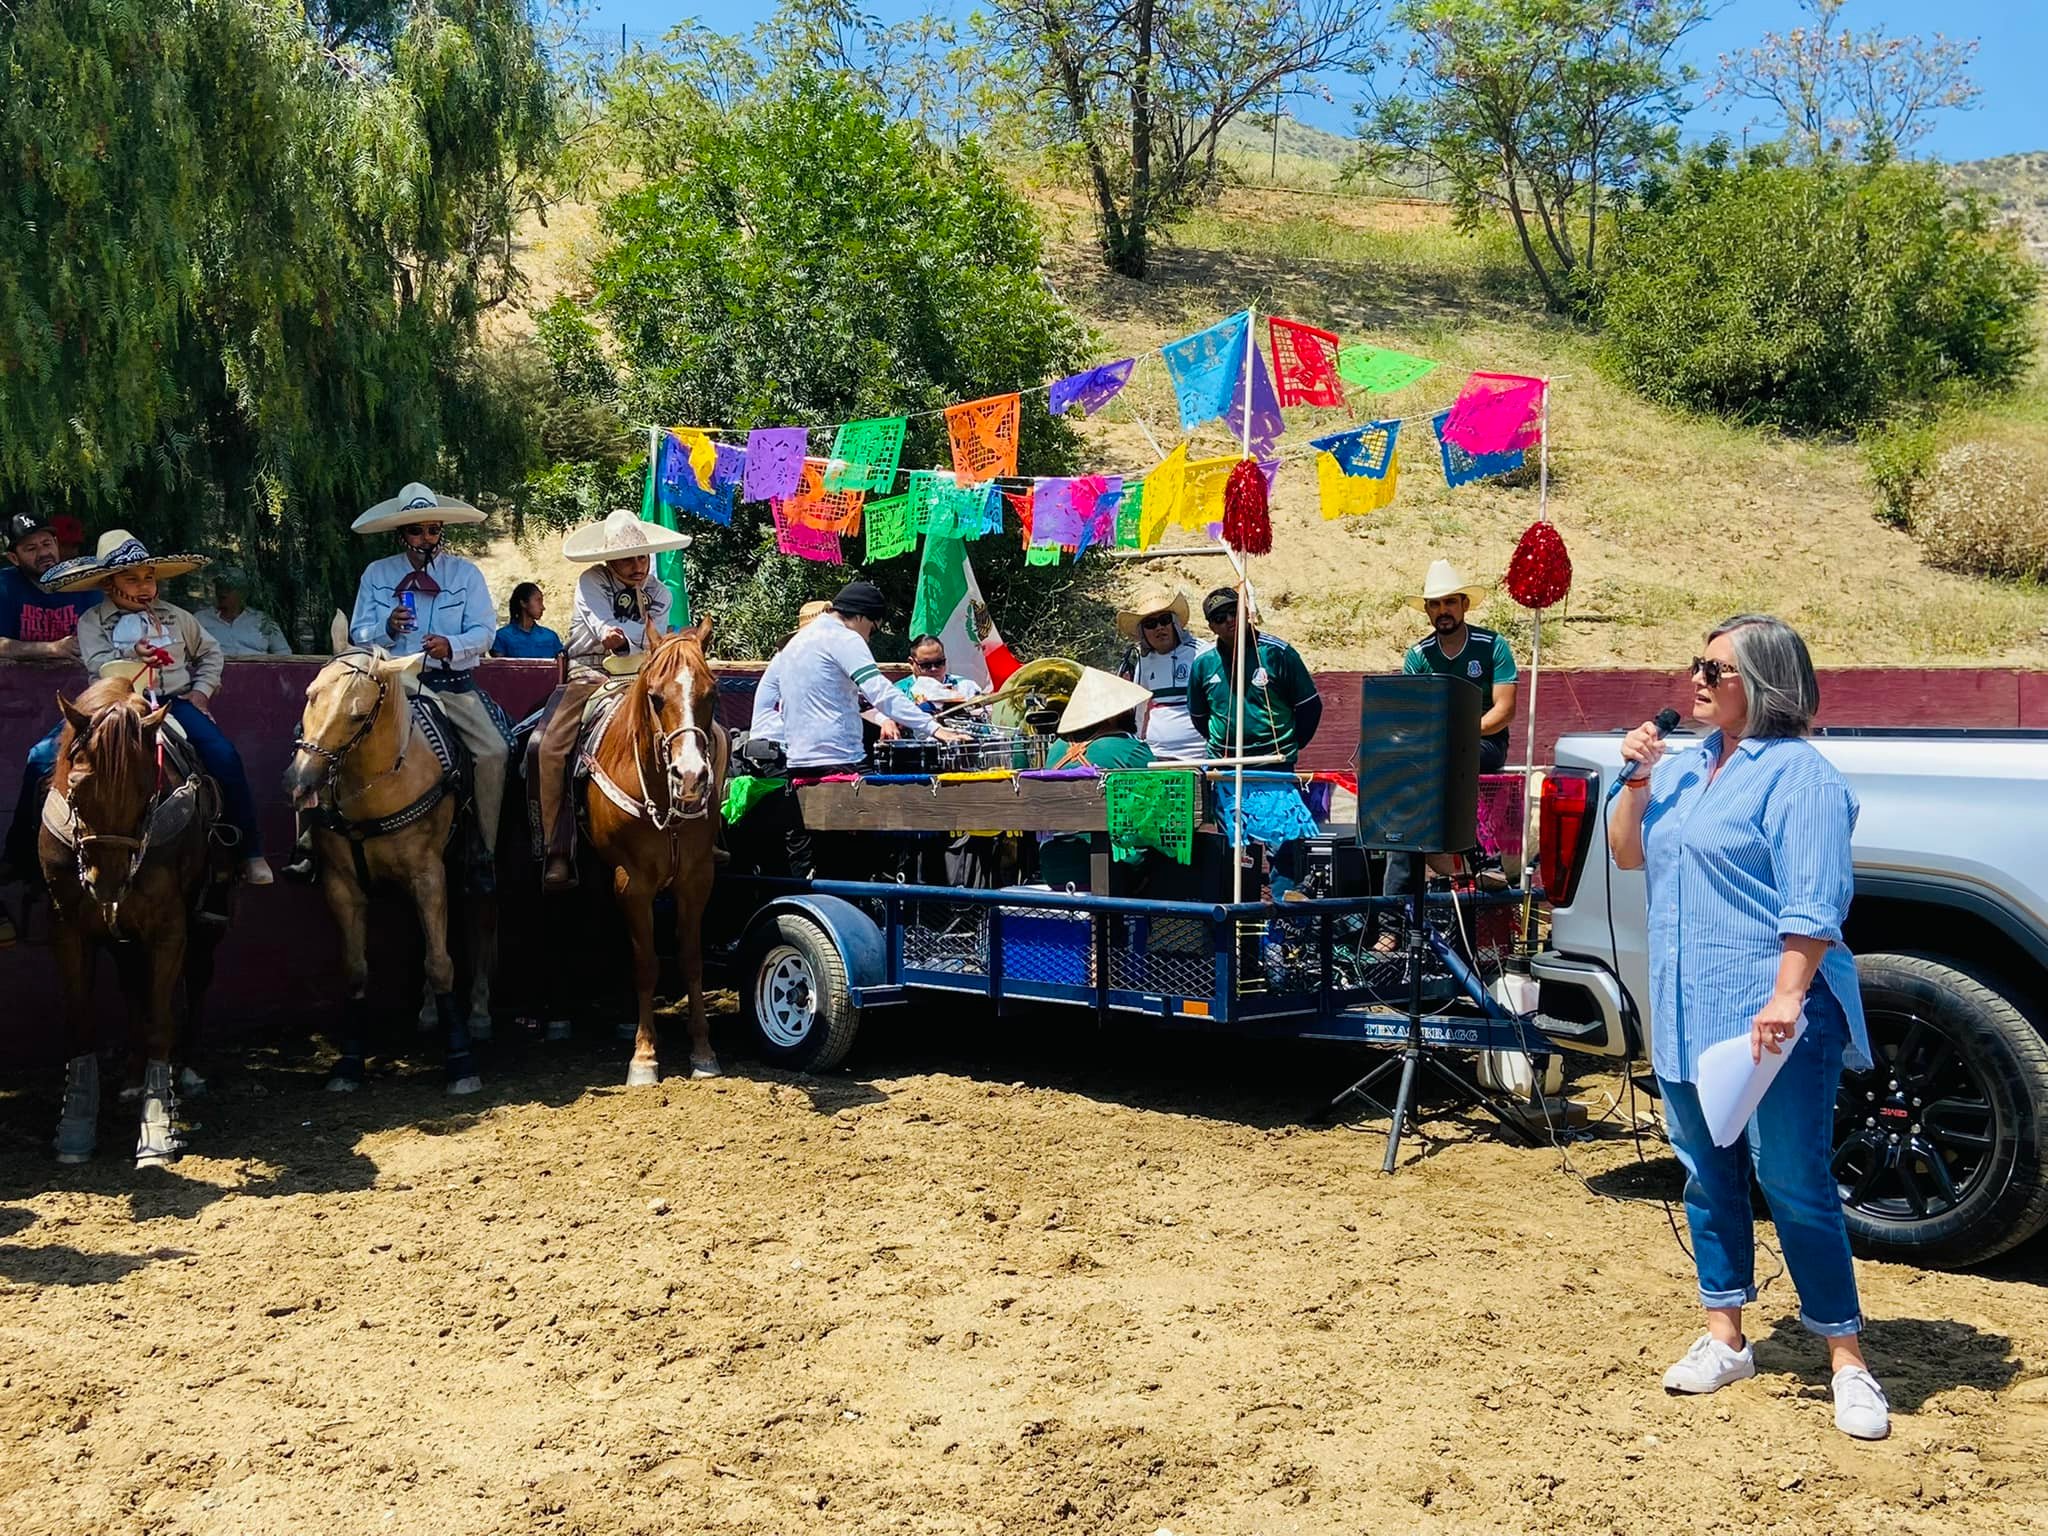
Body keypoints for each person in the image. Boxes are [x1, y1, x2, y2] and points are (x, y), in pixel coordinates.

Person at [1608, 615, 1889, 1443]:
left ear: (1762, 684)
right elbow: (1629, 856)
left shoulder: (1799, 777)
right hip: (1688, 1007)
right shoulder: (1686, 768)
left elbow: (1814, 904)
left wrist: (1787, 998)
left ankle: (1847, 1358)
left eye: (1714, 670)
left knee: (1794, 1182)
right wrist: (1632, 782)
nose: (1693, 680)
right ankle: (1726, 1334)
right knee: (1704, 1173)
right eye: (1695, 665)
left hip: (1771, 1015)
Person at [53, 531, 272, 883]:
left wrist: (200, 693)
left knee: (225, 756)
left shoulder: (179, 617)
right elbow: (98, 664)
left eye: (149, 577)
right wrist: (129, 655)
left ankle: (248, 851)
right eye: (131, 578)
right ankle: (32, 855)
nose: (144, 586)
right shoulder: (92, 621)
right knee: (41, 757)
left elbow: (210, 653)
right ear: (109, 584)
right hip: (112, 707)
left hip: (172, 703)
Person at [326, 481, 509, 885]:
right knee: (326, 735)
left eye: (432, 529)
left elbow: (486, 631)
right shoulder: (377, 574)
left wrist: (452, 644)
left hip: (451, 682)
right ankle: (314, 835)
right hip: (393, 685)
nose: (425, 538)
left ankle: (485, 849)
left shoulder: (465, 573)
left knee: (494, 750)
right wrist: (387, 628)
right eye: (416, 530)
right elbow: (359, 634)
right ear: (401, 534)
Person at [751, 580, 957, 879]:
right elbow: (880, 692)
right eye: (872, 629)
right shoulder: (845, 639)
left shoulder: (795, 643)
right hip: (839, 761)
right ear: (861, 617)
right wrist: (934, 729)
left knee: (827, 858)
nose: (869, 637)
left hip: (798, 765)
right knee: (884, 839)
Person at [534, 510, 691, 890]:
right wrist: (632, 635)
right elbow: (609, 634)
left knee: (707, 732)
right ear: (609, 559)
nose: (637, 566)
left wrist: (639, 637)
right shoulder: (591, 581)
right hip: (590, 673)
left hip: (646, 675)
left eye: (642, 557)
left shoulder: (660, 590)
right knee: (545, 747)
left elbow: (646, 639)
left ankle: (708, 834)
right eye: (627, 558)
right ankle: (557, 847)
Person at [1386, 558, 1519, 896]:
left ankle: (1488, 860)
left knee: (1458, 757)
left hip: (1484, 742)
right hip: (1432, 748)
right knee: (1399, 790)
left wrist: (1459, 733)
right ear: (1428, 611)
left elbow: (1504, 710)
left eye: (1449, 602)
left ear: (1464, 605)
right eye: (1435, 604)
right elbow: (1413, 714)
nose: (1442, 610)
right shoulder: (1418, 655)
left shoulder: (1492, 646)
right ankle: (1393, 912)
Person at [1, 511, 104, 945]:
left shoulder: (87, 583)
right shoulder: (5, 587)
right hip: (23, 708)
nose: (43, 552)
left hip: (90, 697)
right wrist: (50, 648)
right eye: (31, 547)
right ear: (13, 555)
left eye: (47, 543)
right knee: (41, 759)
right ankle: (23, 858)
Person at [1186, 586, 1323, 898]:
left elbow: (1309, 707)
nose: (1229, 620)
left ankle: (1286, 931)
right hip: (1227, 769)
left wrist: (1289, 746)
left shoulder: (1277, 653)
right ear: (1211, 626)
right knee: (1236, 854)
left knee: (1284, 850)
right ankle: (1239, 929)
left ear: (1248, 610)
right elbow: (1199, 715)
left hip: (1273, 767)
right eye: (1219, 618)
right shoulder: (1204, 663)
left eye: (1235, 611)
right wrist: (1225, 745)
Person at [1038, 668, 1154, 889]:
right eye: (1126, 706)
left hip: (1052, 866)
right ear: (1111, 713)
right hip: (1113, 868)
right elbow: (1159, 809)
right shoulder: (1131, 749)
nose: (1131, 711)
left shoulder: (1055, 748)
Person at [1115, 583, 1206, 761]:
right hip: (1158, 754)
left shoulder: (1201, 653)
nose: (1159, 628)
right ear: (1143, 632)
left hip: (1200, 754)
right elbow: (1140, 706)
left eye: (1164, 620)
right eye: (1151, 624)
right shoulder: (1143, 660)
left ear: (1174, 624)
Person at [194, 568, 291, 657]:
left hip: (257, 673)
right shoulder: (200, 619)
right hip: (215, 672)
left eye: (229, 588)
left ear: (243, 592)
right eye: (219, 587)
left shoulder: (262, 620)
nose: (222, 592)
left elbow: (283, 653)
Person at [897, 634, 982, 711]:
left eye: (939, 663)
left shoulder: (966, 687)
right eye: (926, 665)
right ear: (912, 663)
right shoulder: (897, 692)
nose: (934, 669)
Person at [490, 581, 564, 660]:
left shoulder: (550, 637)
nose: (543, 607)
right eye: (538, 601)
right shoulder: (502, 637)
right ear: (523, 603)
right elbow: (499, 669)